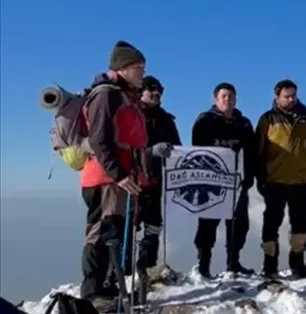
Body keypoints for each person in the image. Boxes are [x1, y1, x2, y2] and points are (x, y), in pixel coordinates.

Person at [79, 41, 172, 311]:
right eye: (138, 67)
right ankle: (93, 293)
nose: (142, 72)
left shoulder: (124, 95)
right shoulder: (106, 95)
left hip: (118, 177)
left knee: (114, 233)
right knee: (102, 232)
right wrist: (119, 174)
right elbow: (99, 138)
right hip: (106, 177)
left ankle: (106, 289)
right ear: (123, 68)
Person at [256, 79, 306, 279]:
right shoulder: (268, 119)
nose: (291, 99)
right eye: (287, 96)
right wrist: (260, 177)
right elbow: (259, 150)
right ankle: (270, 265)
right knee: (271, 225)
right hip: (275, 181)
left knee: (300, 224)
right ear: (277, 97)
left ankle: (298, 262)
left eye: (294, 95)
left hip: (301, 181)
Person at [191, 82, 257, 277]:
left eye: (231, 96)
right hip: (210, 182)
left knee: (239, 224)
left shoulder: (243, 123)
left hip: (236, 182)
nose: (228, 100)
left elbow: (251, 152)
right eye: (223, 96)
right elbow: (196, 151)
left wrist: (249, 178)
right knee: (207, 225)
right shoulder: (205, 121)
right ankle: (203, 266)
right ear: (216, 99)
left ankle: (233, 262)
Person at [129, 76, 182, 273]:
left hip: (155, 180)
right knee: (128, 230)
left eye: (159, 90)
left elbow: (178, 148)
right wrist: (151, 151)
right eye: (151, 89)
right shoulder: (131, 115)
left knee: (153, 227)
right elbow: (123, 149)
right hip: (131, 182)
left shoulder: (165, 119)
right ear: (141, 92)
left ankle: (147, 269)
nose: (156, 93)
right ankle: (123, 274)